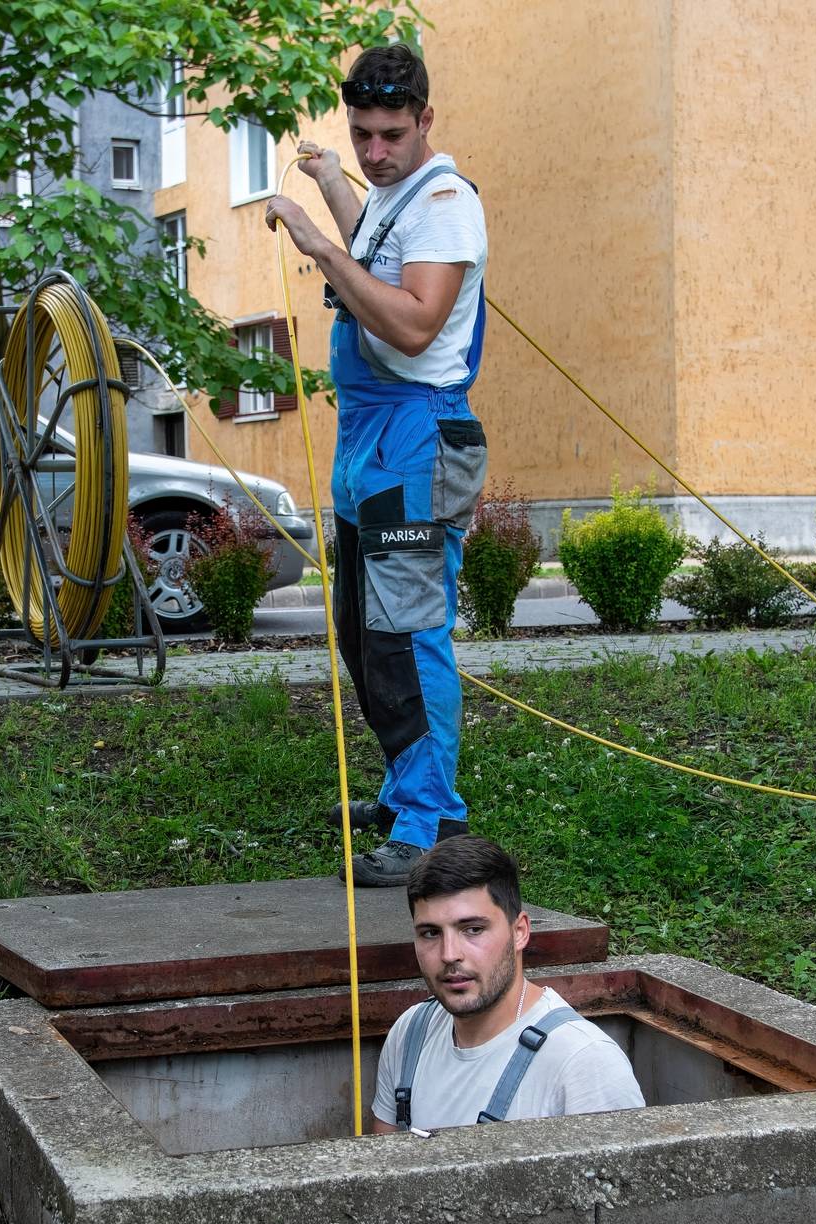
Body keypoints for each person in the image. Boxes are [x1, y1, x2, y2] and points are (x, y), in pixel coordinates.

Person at [262, 44, 489, 887]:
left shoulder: (444, 206)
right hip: (370, 439)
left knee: (408, 634)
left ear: (426, 119)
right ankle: (404, 791)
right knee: (366, 634)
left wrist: (321, 248)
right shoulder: (395, 197)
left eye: (390, 135)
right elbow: (373, 247)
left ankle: (430, 822)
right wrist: (330, 182)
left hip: (416, 442)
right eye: (360, 135)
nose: (374, 152)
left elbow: (412, 324)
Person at [369, 836, 644, 1132]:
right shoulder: (411, 1033)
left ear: (520, 932)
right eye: (430, 933)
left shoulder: (584, 1065)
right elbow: (382, 1168)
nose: (449, 954)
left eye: (473, 929)